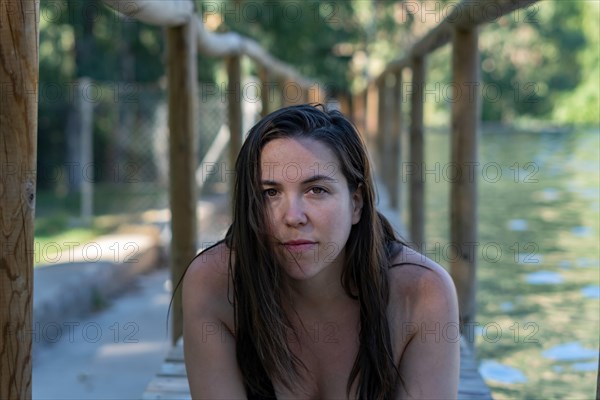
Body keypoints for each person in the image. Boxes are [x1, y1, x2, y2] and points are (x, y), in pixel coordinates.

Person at [182, 104, 459, 399]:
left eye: (316, 190)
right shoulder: (214, 284)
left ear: (356, 203)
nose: (293, 216)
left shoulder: (422, 293)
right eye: (270, 193)